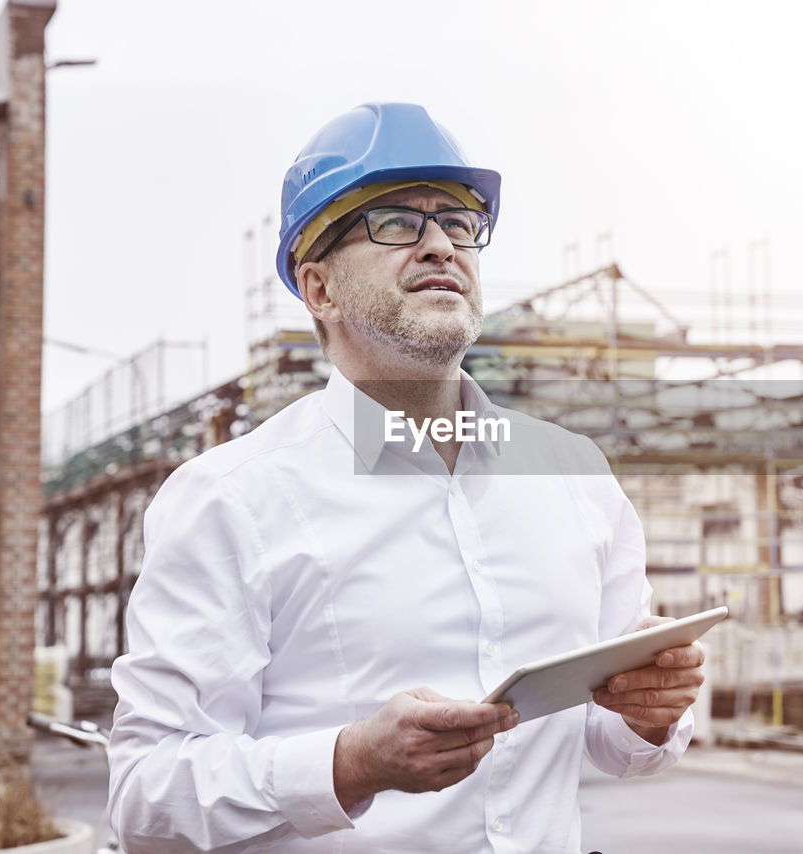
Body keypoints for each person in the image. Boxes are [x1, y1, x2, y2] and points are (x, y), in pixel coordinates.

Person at [107, 102, 706, 853]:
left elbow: (617, 743)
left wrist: (649, 711)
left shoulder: (573, 476)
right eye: (395, 222)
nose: (440, 245)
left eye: (459, 223)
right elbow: (144, 796)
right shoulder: (232, 499)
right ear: (319, 288)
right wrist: (349, 764)